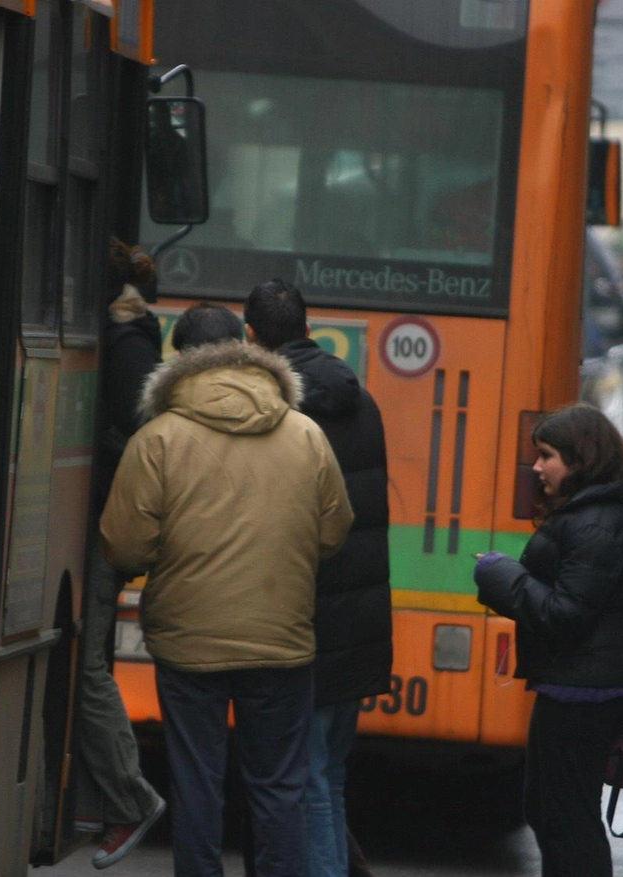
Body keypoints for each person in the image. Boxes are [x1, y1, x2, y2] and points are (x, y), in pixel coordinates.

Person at [101, 302, 354, 877]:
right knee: (279, 788)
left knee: (198, 785)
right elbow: (334, 533)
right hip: (281, 640)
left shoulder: (157, 438)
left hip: (189, 645)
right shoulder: (306, 433)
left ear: (179, 358)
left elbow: (125, 549)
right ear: (248, 349)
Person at [242, 279, 392, 877]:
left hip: (304, 620)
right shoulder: (362, 400)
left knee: (305, 784)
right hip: (357, 618)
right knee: (329, 778)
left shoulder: (278, 410)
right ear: (310, 327)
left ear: (252, 337)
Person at [471, 403, 623, 877]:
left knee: (566, 819)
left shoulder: (596, 522)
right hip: (579, 683)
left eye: (547, 455)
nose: (536, 467)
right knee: (552, 812)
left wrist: (499, 574)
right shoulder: (596, 515)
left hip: (583, 690)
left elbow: (566, 614)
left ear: (581, 460)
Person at [74, 238, 166, 869]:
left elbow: (137, 436)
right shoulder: (128, 334)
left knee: (87, 668)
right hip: (105, 515)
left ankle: (128, 800)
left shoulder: (128, 344)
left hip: (107, 519)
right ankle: (94, 793)